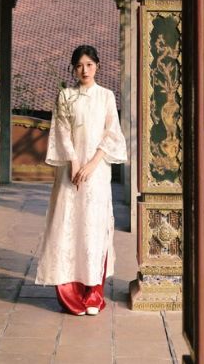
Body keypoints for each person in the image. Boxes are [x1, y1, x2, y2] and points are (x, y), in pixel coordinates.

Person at [34, 44, 127, 316]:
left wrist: (92, 164)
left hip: (96, 174)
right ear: (73, 69)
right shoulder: (65, 96)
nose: (84, 70)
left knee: (94, 227)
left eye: (89, 64)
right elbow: (62, 132)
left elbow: (112, 134)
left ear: (97, 66)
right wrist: (74, 162)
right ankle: (71, 295)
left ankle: (93, 295)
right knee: (67, 226)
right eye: (79, 65)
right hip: (70, 173)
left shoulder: (106, 97)